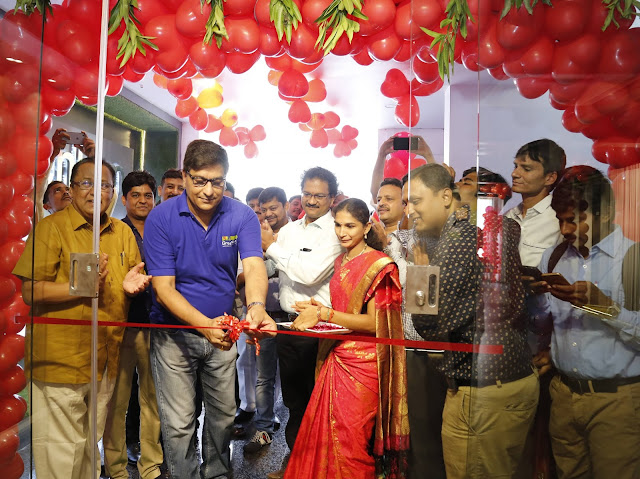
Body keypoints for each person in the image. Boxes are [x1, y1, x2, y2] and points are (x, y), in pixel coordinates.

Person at [144, 139, 275, 479]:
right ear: (185, 175)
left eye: (217, 182)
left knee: (223, 417)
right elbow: (163, 289)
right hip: (174, 336)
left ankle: (217, 474)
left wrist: (256, 305)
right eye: (200, 180)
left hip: (224, 332)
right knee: (179, 423)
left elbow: (254, 265)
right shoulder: (161, 218)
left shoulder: (241, 215)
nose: (208, 191)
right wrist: (205, 326)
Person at [12, 158, 150, 479]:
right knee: (61, 456)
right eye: (86, 183)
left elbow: (128, 278)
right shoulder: (52, 228)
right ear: (72, 190)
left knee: (89, 452)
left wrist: (131, 288)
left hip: (105, 361)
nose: (95, 192)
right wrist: (77, 288)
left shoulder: (122, 233)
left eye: (103, 185)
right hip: (60, 363)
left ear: (112, 192)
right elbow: (31, 291)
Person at [408, 163, 539, 479]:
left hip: (482, 392)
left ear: (445, 197)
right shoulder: (494, 228)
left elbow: (428, 325)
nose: (410, 211)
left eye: (416, 200)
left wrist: (420, 274)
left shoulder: (459, 238)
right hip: (508, 381)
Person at [284, 198, 409, 479]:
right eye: (338, 225)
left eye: (350, 226)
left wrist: (325, 314)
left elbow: (376, 323)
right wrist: (318, 309)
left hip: (365, 364)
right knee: (327, 438)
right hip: (338, 356)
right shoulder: (341, 260)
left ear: (366, 227)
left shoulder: (380, 265)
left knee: (352, 441)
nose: (342, 232)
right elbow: (346, 311)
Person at [529, 166, 640, 479]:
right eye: (560, 219)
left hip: (616, 401)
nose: (564, 229)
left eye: (574, 219)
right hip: (563, 395)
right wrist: (532, 299)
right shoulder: (553, 258)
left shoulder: (632, 259)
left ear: (606, 213)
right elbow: (545, 323)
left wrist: (606, 308)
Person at [261, 167, 343, 479]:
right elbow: (276, 268)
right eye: (307, 193)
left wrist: (271, 246)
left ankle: (320, 470)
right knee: (294, 403)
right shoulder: (290, 231)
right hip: (288, 326)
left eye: (319, 195)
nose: (311, 200)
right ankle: (296, 465)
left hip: (320, 329)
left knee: (320, 404)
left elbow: (310, 274)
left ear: (332, 198)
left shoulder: (335, 231)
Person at [103, 171, 165, 479]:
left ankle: (150, 464)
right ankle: (114, 466)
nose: (142, 201)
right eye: (136, 195)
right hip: (123, 325)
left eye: (148, 195)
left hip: (159, 326)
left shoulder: (163, 230)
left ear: (155, 198)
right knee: (117, 400)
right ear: (124, 199)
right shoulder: (114, 231)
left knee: (153, 399)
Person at [241, 187, 291, 453]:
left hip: (294, 317)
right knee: (264, 377)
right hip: (265, 315)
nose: (269, 213)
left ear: (285, 206)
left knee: (296, 379)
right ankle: (263, 429)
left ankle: (302, 438)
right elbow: (246, 273)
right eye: (264, 209)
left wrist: (268, 257)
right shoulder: (254, 234)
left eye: (274, 208)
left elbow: (294, 267)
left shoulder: (295, 233)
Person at [234, 186, 266, 435]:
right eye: (251, 206)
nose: (256, 211)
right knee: (243, 358)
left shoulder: (278, 235)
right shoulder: (239, 230)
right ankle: (247, 405)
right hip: (242, 304)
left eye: (260, 208)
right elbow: (238, 274)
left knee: (266, 366)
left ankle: (267, 411)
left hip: (268, 309)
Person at [504, 139, 566, 267]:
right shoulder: (509, 216)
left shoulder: (559, 220)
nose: (514, 174)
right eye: (516, 166)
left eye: (526, 169)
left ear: (550, 178)